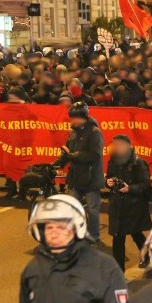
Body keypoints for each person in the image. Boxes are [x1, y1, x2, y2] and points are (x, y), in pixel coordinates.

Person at [52, 101, 105, 244]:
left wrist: (72, 156)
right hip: (75, 176)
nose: (72, 120)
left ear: (84, 117)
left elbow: (94, 155)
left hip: (91, 177)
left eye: (75, 117)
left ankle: (94, 236)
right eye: (71, 117)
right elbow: (67, 152)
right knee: (73, 208)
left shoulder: (94, 133)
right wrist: (55, 164)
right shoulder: (73, 132)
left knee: (92, 210)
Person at [105, 134, 152, 270]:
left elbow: (146, 184)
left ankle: (147, 255)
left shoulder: (138, 162)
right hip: (117, 206)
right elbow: (108, 177)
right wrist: (107, 182)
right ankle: (119, 271)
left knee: (136, 233)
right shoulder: (112, 161)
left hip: (133, 206)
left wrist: (130, 188)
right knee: (117, 238)